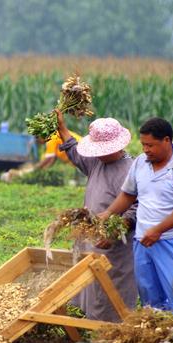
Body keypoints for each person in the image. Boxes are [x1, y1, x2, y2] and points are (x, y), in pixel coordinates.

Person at [98, 117, 173, 316]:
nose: (145, 149)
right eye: (143, 144)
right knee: (149, 299)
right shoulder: (140, 164)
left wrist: (158, 230)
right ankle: (154, 339)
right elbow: (128, 195)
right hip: (143, 241)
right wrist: (109, 213)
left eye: (150, 145)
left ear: (166, 141)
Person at [56, 109, 138, 322]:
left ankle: (109, 335)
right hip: (93, 242)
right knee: (90, 291)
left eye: (103, 150)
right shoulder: (97, 163)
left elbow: (137, 208)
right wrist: (62, 129)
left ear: (118, 147)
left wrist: (115, 231)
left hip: (115, 248)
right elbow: (75, 153)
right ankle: (91, 328)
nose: (99, 154)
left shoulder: (129, 170)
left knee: (110, 295)